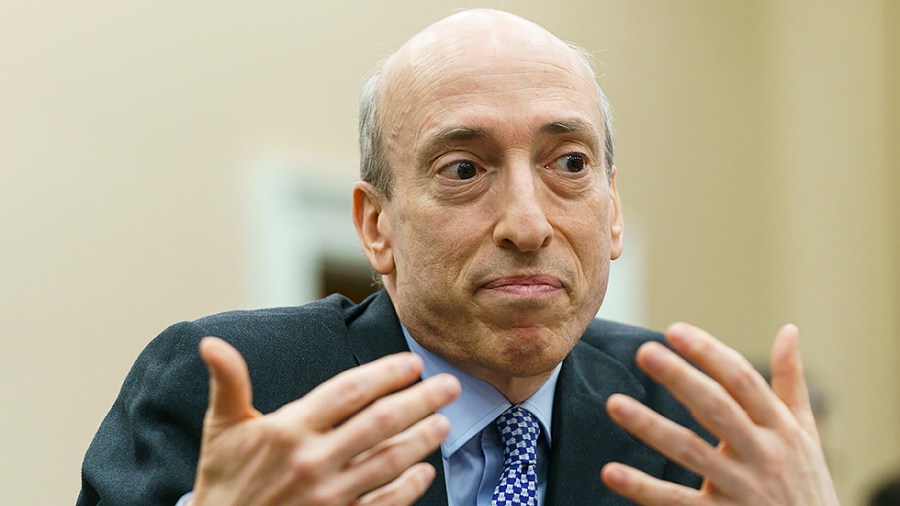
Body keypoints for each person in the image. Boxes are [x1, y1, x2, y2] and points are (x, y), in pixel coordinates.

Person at [78, 9, 839, 506]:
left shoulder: (682, 423)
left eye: (569, 164)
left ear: (611, 210)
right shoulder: (236, 395)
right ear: (375, 226)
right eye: (464, 170)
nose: (528, 223)